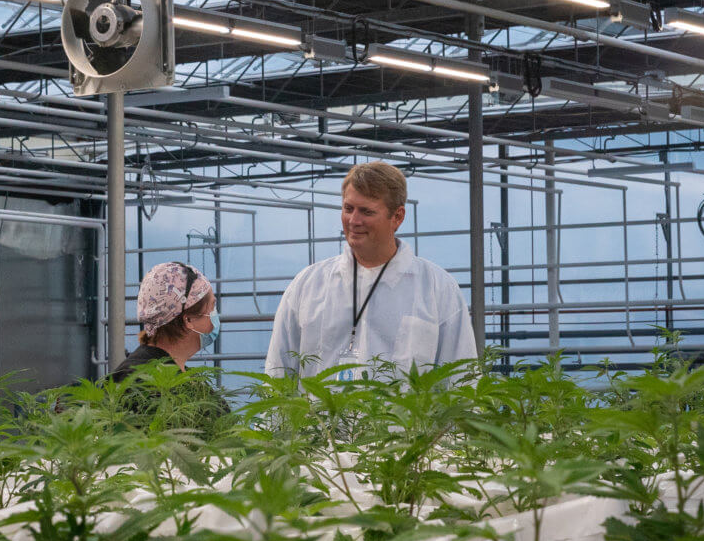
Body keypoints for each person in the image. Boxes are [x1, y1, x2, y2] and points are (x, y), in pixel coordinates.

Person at [265, 161, 476, 379]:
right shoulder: (308, 284)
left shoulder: (436, 288)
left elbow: (462, 379)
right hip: (320, 414)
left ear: (397, 217)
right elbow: (278, 373)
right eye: (348, 209)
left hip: (404, 415)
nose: (354, 221)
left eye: (366, 211)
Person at [107, 262, 230, 427]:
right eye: (212, 307)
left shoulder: (139, 371)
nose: (215, 315)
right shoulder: (145, 386)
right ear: (189, 320)